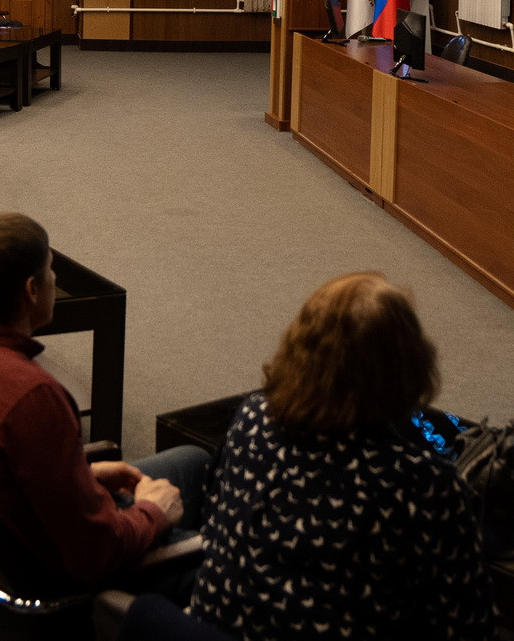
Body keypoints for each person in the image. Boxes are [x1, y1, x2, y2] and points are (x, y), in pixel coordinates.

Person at [0, 213, 208, 586]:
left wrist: (81, 474)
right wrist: (154, 513)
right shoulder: (31, 397)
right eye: (51, 270)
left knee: (194, 460)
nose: (55, 280)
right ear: (31, 290)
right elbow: (95, 553)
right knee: (236, 561)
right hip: (59, 580)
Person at [189, 272, 495, 640]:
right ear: (408, 367)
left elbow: (211, 521)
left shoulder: (253, 417)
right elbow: (467, 625)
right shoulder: (423, 484)